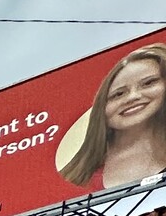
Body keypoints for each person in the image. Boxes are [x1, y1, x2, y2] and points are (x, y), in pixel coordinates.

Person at [58, 44, 166, 190]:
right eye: (119, 94)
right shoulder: (78, 176)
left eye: (148, 83)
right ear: (102, 108)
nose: (133, 97)